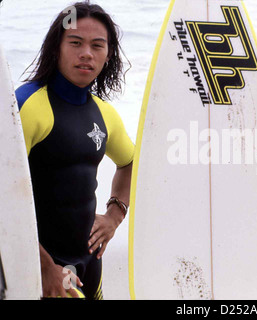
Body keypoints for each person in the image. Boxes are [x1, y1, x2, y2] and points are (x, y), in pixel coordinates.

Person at [16, 1, 134, 299]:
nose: (86, 53)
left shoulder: (105, 114)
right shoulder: (25, 105)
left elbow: (130, 162)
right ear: (57, 47)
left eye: (97, 45)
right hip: (37, 266)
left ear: (108, 55)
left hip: (89, 265)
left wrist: (114, 215)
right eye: (75, 42)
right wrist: (42, 266)